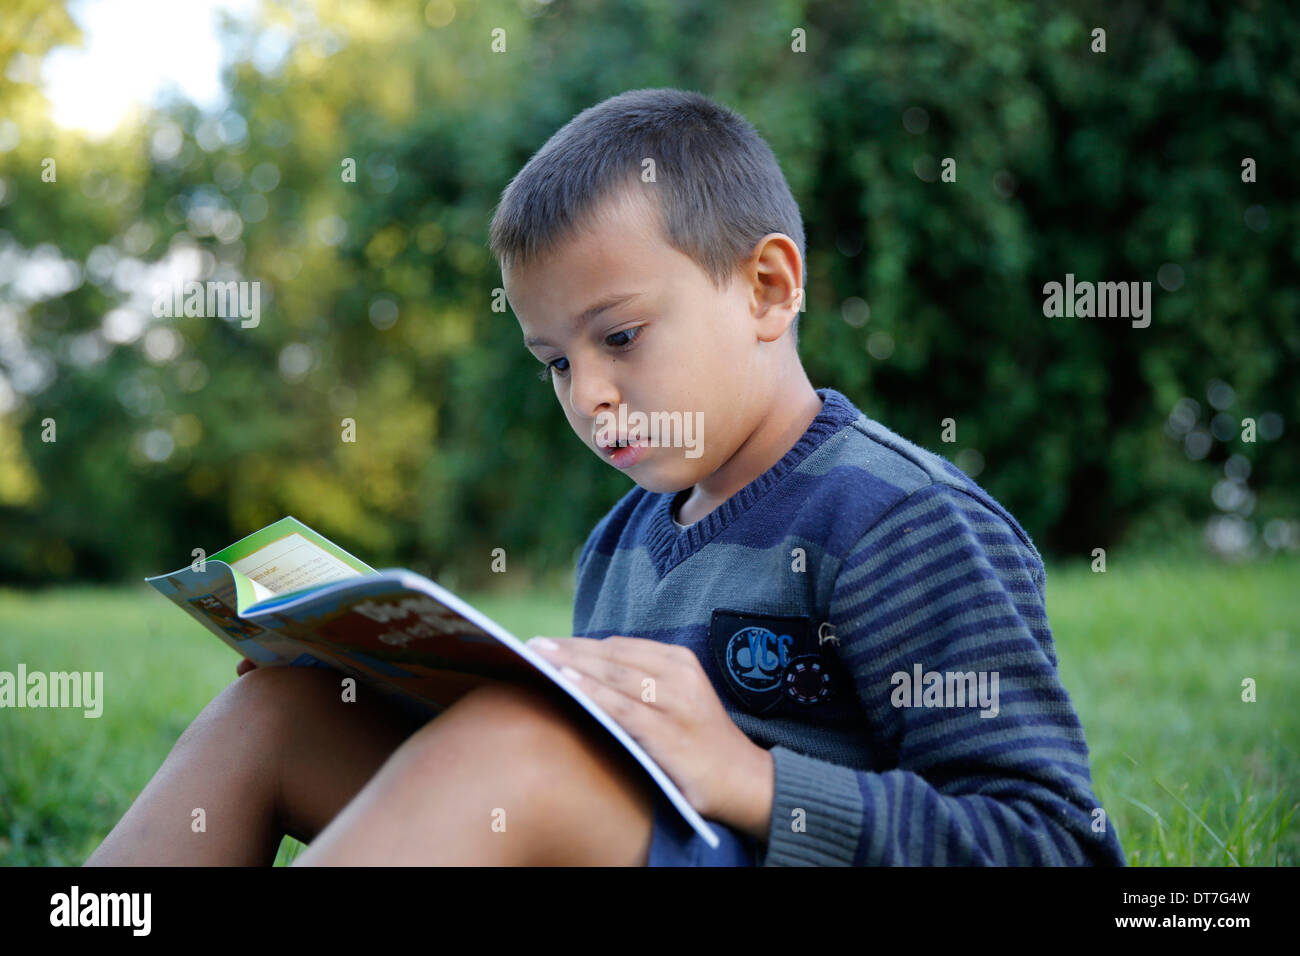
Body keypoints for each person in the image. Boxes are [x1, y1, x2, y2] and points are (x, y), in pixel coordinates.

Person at [87, 87, 1125, 866]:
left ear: (767, 286)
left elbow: (1053, 841)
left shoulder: (900, 519)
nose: (587, 392)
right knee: (283, 711)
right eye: (554, 362)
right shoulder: (623, 540)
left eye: (619, 335)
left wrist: (754, 779)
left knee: (514, 745)